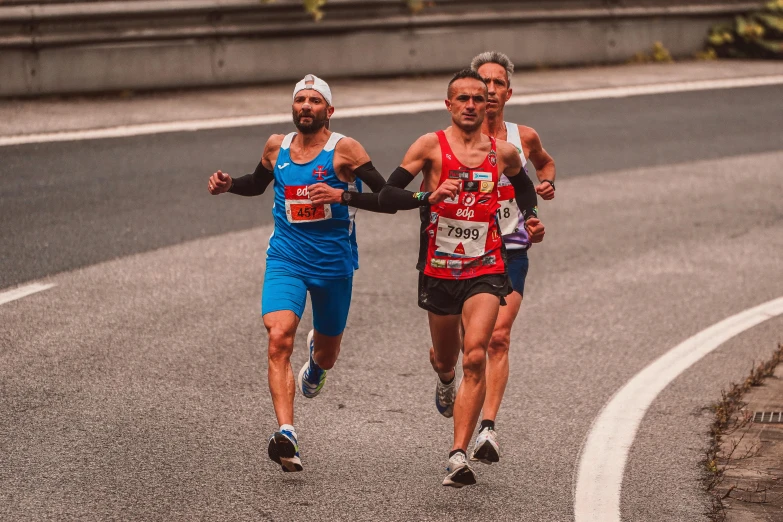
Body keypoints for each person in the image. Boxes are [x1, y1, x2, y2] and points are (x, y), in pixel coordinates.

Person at [207, 74, 390, 473]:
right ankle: (286, 433)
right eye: (300, 100)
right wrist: (228, 185)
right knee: (278, 337)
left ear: (329, 110)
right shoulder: (277, 146)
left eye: (314, 100)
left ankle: (317, 366)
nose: (305, 106)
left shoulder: (345, 150)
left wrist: (342, 194)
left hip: (333, 266)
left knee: (327, 353)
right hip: (286, 258)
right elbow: (258, 184)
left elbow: (387, 197)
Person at [378, 69, 545, 487]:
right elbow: (386, 194)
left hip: (487, 264)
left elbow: (525, 189)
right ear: (448, 105)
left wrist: (532, 217)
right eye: (463, 98)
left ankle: (457, 454)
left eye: (478, 98)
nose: (472, 104)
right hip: (439, 271)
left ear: (487, 103)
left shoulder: (503, 152)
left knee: (477, 354)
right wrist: (426, 196)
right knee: (447, 357)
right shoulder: (429, 146)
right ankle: (443, 379)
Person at [467, 51, 557, 465]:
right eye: (483, 81)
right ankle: (448, 378)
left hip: (511, 248)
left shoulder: (524, 137)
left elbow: (545, 163)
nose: (490, 89)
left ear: (508, 91)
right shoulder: (455, 139)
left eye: (498, 82)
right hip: (465, 250)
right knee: (463, 348)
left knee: (498, 338)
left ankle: (487, 428)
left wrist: (546, 185)